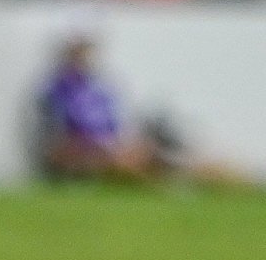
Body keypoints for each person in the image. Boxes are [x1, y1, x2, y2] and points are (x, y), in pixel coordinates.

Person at [31, 32, 251, 188]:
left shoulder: (100, 89)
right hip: (85, 153)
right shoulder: (56, 88)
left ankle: (228, 177)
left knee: (175, 156)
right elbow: (56, 134)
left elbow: (114, 126)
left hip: (111, 148)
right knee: (139, 161)